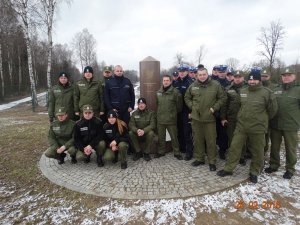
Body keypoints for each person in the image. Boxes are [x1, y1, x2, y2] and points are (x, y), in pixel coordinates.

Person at [217, 68, 278, 183]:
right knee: (234, 148)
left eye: (254, 80)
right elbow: (239, 107)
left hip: (258, 128)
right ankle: (229, 168)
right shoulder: (243, 91)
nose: (252, 82)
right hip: (242, 126)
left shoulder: (267, 93)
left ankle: (254, 172)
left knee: (257, 151)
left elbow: (272, 111)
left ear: (259, 80)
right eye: (250, 80)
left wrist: (261, 119)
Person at [185, 68, 226, 171]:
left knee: (211, 141)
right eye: (200, 75)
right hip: (196, 118)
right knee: (198, 140)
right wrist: (192, 106)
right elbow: (187, 97)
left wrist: (214, 108)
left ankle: (212, 161)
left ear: (207, 74)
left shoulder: (215, 85)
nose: (202, 76)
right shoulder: (193, 86)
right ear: (197, 76)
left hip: (209, 118)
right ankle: (199, 158)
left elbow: (223, 98)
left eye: (204, 74)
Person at [265, 68, 300, 179]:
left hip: (291, 125)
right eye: (284, 75)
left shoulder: (298, 90)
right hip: (276, 124)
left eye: (289, 75)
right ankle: (274, 164)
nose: (286, 77)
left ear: (294, 77)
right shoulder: (276, 89)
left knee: (290, 148)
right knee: (274, 146)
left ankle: (290, 169)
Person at [220, 70, 247, 165]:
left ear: (243, 78)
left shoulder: (248, 88)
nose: (238, 79)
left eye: (239, 77)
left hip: (244, 118)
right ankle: (233, 156)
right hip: (231, 118)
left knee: (242, 138)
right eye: (236, 77)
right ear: (233, 78)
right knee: (232, 138)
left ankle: (242, 156)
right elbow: (224, 104)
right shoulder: (228, 89)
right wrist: (223, 118)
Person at [156, 74, 183, 159]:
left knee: (174, 137)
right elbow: (158, 104)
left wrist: (172, 113)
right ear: (162, 81)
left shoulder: (176, 92)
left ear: (171, 81)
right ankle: (161, 151)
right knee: (161, 137)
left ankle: (177, 152)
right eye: (164, 80)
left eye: (167, 80)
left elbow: (179, 106)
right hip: (161, 119)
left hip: (171, 119)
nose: (166, 82)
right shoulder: (158, 92)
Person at [173, 64, 194, 160]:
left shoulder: (191, 82)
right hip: (178, 111)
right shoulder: (175, 82)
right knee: (179, 130)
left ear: (187, 72)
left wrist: (191, 111)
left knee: (187, 132)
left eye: (183, 71)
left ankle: (189, 151)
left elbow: (193, 98)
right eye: (180, 71)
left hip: (187, 111)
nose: (181, 73)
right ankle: (182, 148)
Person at [215, 65, 231, 159]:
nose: (221, 74)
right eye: (220, 72)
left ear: (226, 72)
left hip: (225, 114)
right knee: (214, 132)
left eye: (223, 72)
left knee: (223, 133)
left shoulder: (229, 84)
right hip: (215, 111)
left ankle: (222, 150)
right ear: (217, 72)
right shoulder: (213, 83)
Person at [261, 69, 277, 153]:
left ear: (269, 77)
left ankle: (264, 151)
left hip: (268, 116)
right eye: (262, 76)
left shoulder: (274, 87)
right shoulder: (257, 85)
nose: (263, 78)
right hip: (257, 116)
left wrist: (268, 116)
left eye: (265, 76)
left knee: (266, 135)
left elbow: (274, 104)